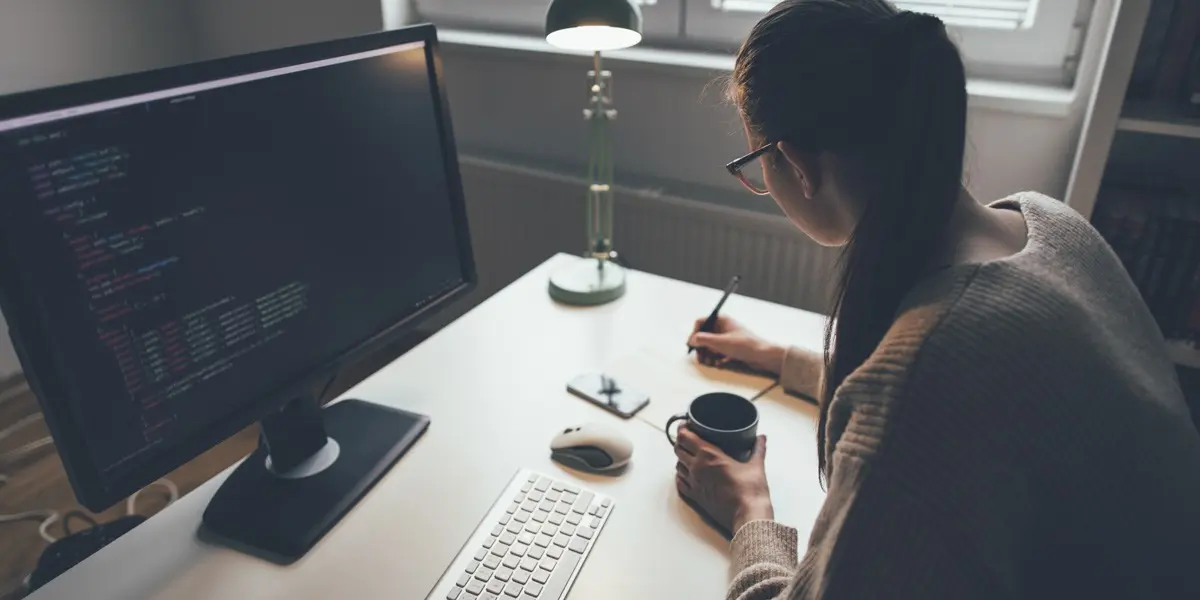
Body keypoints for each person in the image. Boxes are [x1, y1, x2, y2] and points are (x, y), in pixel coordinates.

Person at [672, 1, 1200, 599]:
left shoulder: (931, 370)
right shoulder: (1048, 223)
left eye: (758, 168)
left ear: (795, 163)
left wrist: (749, 508)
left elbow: (933, 391)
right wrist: (774, 356)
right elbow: (980, 397)